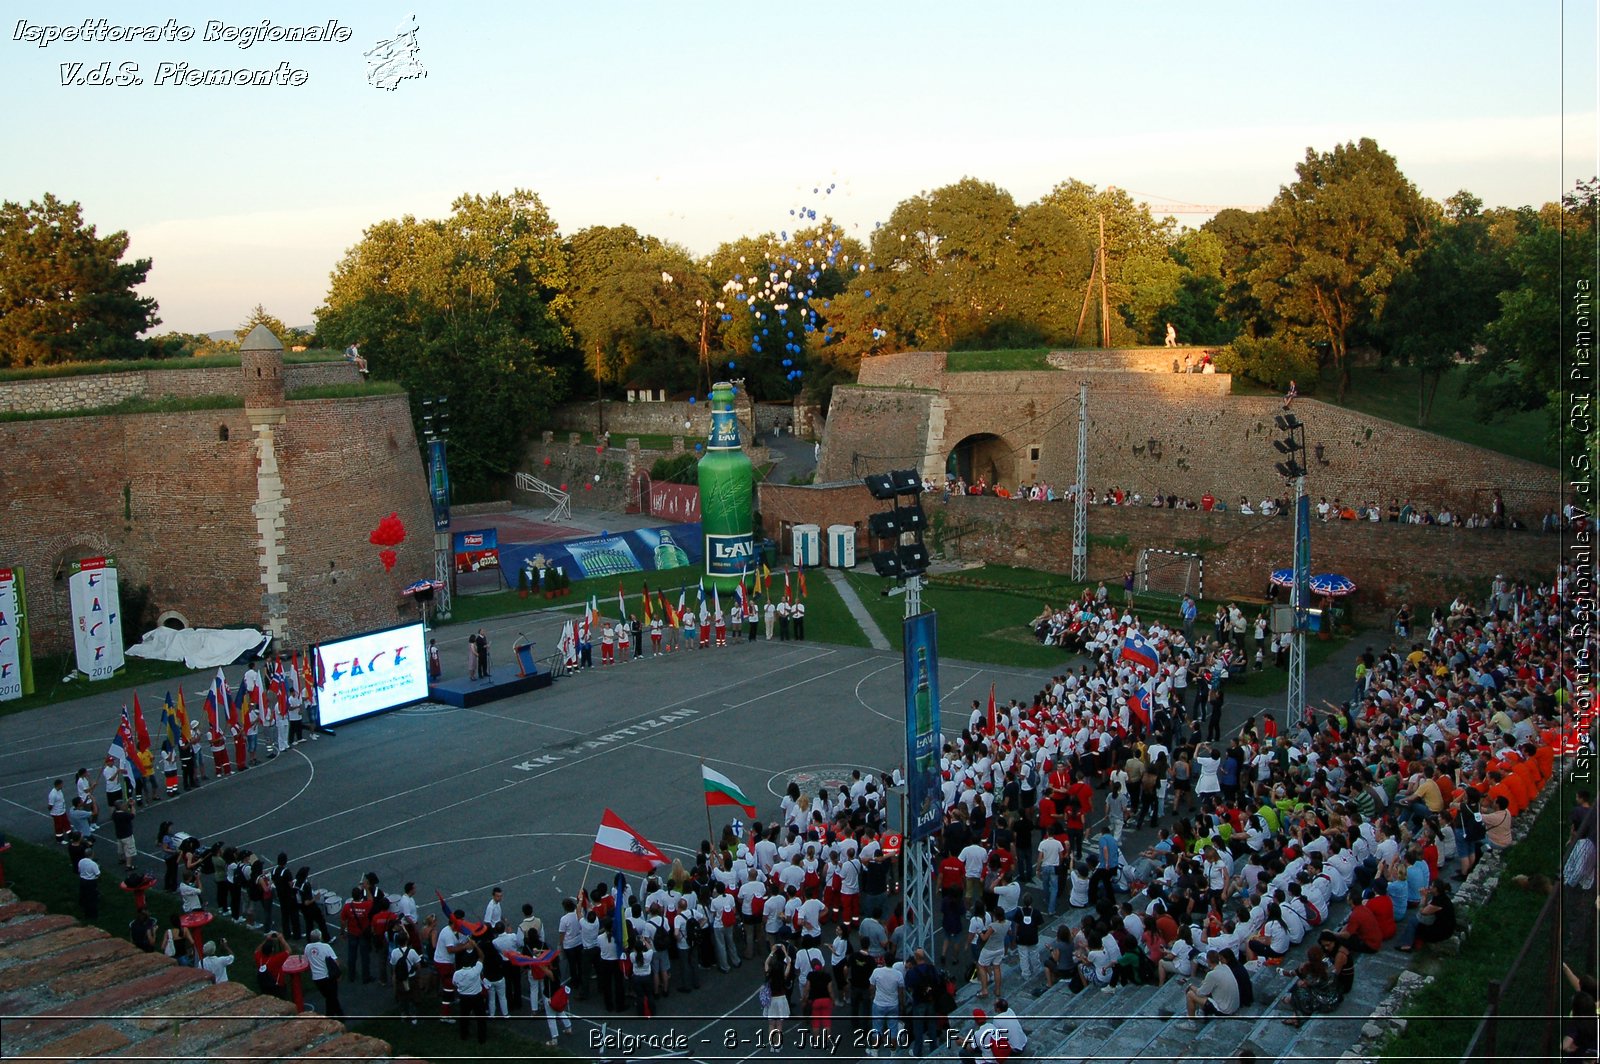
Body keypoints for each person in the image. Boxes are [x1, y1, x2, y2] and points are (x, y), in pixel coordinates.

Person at [452, 944, 488, 1044]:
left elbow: (454, 983)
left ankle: (464, 1035)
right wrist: (476, 946)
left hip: (464, 997)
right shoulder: (475, 971)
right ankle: (482, 1038)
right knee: (481, 1019)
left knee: (464, 1017)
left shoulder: (457, 974)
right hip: (476, 997)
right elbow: (482, 957)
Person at [304, 929, 344, 1016]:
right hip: (327, 977)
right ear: (320, 937)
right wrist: (338, 973)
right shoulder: (326, 946)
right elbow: (336, 961)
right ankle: (335, 1015)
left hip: (316, 978)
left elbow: (306, 960)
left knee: (329, 997)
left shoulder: (307, 947)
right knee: (332, 997)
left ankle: (336, 1014)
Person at [77, 839, 101, 919]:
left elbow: (79, 870)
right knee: (92, 898)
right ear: (92, 854)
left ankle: (83, 906)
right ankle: (92, 915)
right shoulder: (93, 864)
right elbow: (98, 874)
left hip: (82, 880)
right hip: (91, 882)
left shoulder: (81, 861)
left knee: (84, 894)